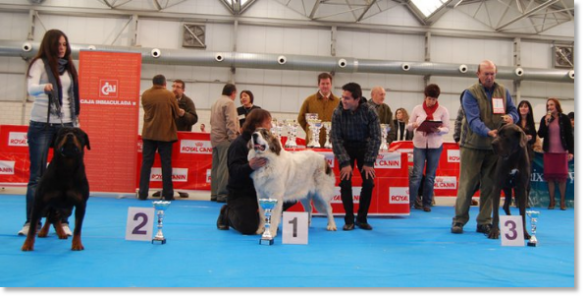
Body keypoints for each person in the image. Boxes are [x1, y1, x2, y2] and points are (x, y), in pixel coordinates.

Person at [18, 29, 79, 236]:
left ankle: (62, 221)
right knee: (37, 176)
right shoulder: (38, 63)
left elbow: (71, 97)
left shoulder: (69, 67)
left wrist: (75, 122)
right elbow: (30, 88)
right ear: (50, 45)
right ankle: (31, 222)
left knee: (67, 176)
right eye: (58, 44)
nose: (62, 48)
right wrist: (43, 87)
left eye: (64, 44)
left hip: (66, 125)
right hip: (41, 124)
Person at [451, 60, 518, 234]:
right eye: (486, 73)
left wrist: (512, 118)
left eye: (492, 73)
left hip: (495, 148)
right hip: (472, 145)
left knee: (491, 185)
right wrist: (489, 132)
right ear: (478, 74)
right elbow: (473, 121)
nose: (489, 77)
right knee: (467, 184)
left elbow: (513, 111)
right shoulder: (470, 93)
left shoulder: (503, 91)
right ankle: (459, 220)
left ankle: (484, 221)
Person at [331, 82, 381, 231]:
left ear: (357, 99)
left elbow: (376, 137)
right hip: (345, 148)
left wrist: (369, 161)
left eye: (347, 98)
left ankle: (362, 218)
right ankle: (349, 220)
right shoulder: (337, 112)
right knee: (345, 182)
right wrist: (345, 162)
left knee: (369, 183)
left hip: (364, 149)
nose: (343, 101)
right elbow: (335, 139)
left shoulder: (370, 111)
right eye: (342, 97)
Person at [216, 109, 272, 234]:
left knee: (291, 196)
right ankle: (226, 213)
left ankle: (266, 218)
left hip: (263, 190)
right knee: (248, 227)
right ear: (257, 125)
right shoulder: (239, 144)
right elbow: (233, 172)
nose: (271, 126)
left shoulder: (267, 144)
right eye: (268, 123)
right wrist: (249, 166)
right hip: (242, 193)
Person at [138, 74, 184, 201]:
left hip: (148, 133)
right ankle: (168, 194)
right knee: (166, 164)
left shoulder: (145, 94)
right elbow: (176, 113)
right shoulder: (169, 95)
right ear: (164, 84)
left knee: (146, 163)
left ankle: (142, 192)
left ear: (153, 83)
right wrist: (181, 111)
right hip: (165, 135)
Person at [406, 84, 450, 212]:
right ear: (425, 97)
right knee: (417, 175)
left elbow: (447, 128)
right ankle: (410, 203)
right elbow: (407, 126)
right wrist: (413, 125)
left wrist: (439, 130)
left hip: (435, 146)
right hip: (419, 144)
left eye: (434, 99)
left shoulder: (443, 110)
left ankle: (426, 203)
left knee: (430, 176)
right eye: (430, 99)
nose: (431, 102)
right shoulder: (417, 109)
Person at [152, 79, 197, 199]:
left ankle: (181, 188)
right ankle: (163, 188)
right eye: (173, 86)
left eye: (178, 87)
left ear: (183, 90)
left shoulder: (187, 102)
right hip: (165, 137)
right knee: (164, 164)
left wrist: (184, 114)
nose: (175, 88)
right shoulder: (166, 99)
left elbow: (194, 118)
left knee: (180, 165)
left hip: (181, 139)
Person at [537, 98, 574, 210]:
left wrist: (571, 151)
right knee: (550, 178)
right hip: (549, 152)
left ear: (557, 105)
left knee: (562, 178)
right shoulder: (545, 118)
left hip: (562, 152)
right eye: (548, 105)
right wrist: (545, 123)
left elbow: (569, 136)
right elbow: (541, 134)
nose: (549, 107)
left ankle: (562, 202)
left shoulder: (565, 119)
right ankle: (552, 201)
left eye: (552, 105)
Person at [502, 100, 537, 211]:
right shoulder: (514, 123)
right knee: (515, 177)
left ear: (529, 109)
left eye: (525, 106)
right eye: (521, 106)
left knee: (526, 178)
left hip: (528, 154)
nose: (523, 108)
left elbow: (534, 139)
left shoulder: (531, 124)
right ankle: (516, 200)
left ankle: (524, 201)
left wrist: (530, 138)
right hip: (515, 154)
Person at [210, 83, 240, 203]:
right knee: (224, 168)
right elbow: (231, 122)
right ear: (233, 93)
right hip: (224, 138)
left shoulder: (215, 102)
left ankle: (214, 193)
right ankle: (222, 194)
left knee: (215, 167)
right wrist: (233, 139)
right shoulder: (229, 103)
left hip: (215, 138)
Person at [297, 72, 340, 147]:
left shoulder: (338, 102)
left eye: (327, 83)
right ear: (318, 85)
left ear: (331, 84)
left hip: (332, 144)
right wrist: (310, 130)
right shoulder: (309, 100)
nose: (325, 86)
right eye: (323, 83)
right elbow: (301, 118)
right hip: (312, 144)